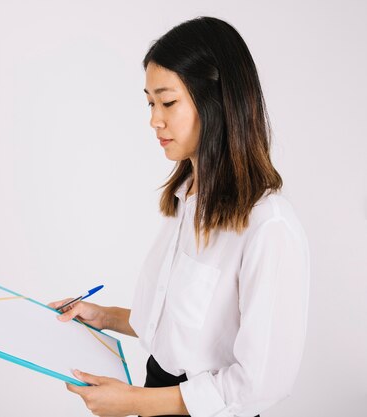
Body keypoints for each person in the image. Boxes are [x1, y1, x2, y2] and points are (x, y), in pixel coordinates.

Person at [48, 16, 310, 417]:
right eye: (150, 103)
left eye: (167, 102)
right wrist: (101, 316)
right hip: (159, 400)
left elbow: (260, 385)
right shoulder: (187, 197)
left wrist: (134, 401)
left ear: (217, 101)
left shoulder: (268, 226)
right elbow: (179, 327)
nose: (154, 119)